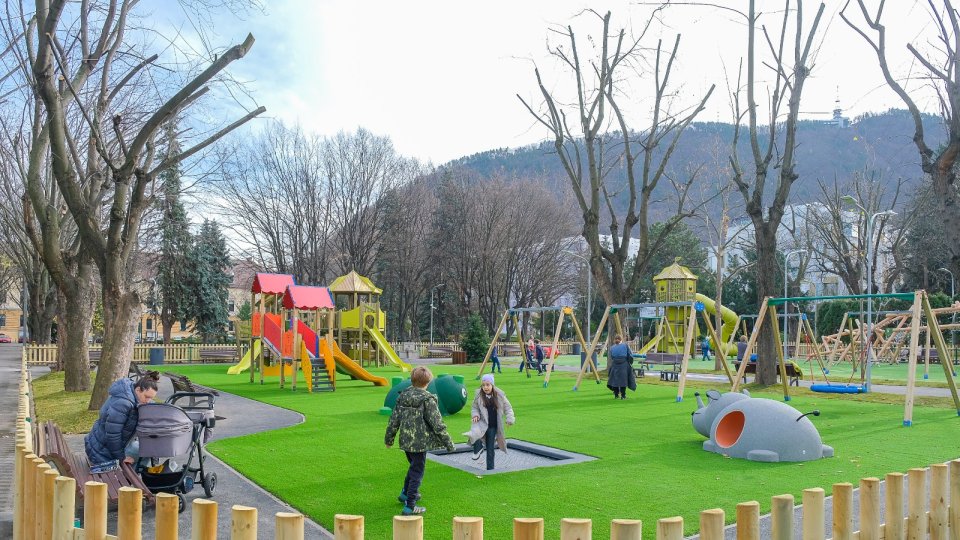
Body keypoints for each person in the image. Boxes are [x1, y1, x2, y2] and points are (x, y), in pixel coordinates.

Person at [385, 366, 455, 515]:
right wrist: (449, 443)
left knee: (413, 467)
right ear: (427, 383)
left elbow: (393, 420)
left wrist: (389, 439)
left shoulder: (402, 396)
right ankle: (410, 505)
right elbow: (438, 424)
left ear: (412, 380)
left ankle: (406, 493)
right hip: (419, 444)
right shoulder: (427, 399)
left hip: (406, 442)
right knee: (417, 471)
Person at [85, 372, 160, 473]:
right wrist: (121, 458)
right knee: (144, 452)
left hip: (101, 445)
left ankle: (131, 478)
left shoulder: (130, 393)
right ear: (138, 390)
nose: (148, 401)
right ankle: (127, 479)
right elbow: (112, 436)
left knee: (146, 450)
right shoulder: (123, 403)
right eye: (146, 397)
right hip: (101, 454)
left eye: (151, 398)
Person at [463, 374, 515, 471]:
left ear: (492, 385)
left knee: (490, 448)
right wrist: (475, 415)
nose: (485, 387)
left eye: (488, 385)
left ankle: (490, 468)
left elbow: (508, 408)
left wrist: (509, 419)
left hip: (492, 426)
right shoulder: (479, 396)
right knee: (475, 435)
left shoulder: (500, 395)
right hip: (482, 424)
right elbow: (474, 408)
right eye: (483, 385)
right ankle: (478, 449)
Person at [606, 335, 636, 399]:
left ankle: (616, 395)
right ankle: (623, 396)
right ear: (620, 339)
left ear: (615, 340)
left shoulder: (612, 347)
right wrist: (630, 363)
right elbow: (630, 355)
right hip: (624, 364)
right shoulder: (625, 346)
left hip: (615, 365)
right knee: (623, 381)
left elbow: (612, 357)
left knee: (615, 380)